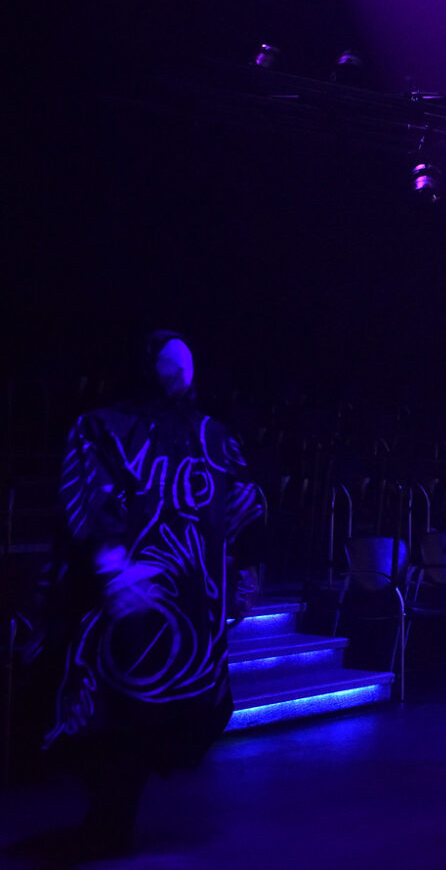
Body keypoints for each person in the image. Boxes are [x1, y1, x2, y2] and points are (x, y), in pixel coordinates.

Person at [24, 331, 265, 860]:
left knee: (140, 714)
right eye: (168, 364)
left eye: (186, 365)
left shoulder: (214, 435)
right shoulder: (104, 428)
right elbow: (90, 499)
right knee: (112, 707)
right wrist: (112, 566)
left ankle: (111, 822)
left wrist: (244, 574)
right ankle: (107, 820)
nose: (179, 374)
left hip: (182, 602)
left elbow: (244, 503)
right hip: (127, 597)